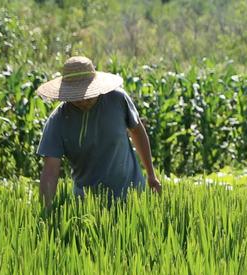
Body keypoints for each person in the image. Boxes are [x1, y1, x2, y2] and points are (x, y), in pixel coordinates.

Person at [36, 56, 161, 208]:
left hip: (132, 195)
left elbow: (137, 132)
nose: (83, 101)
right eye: (77, 96)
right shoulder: (58, 120)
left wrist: (151, 175)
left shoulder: (118, 99)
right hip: (89, 204)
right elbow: (50, 170)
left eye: (87, 95)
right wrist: (46, 210)